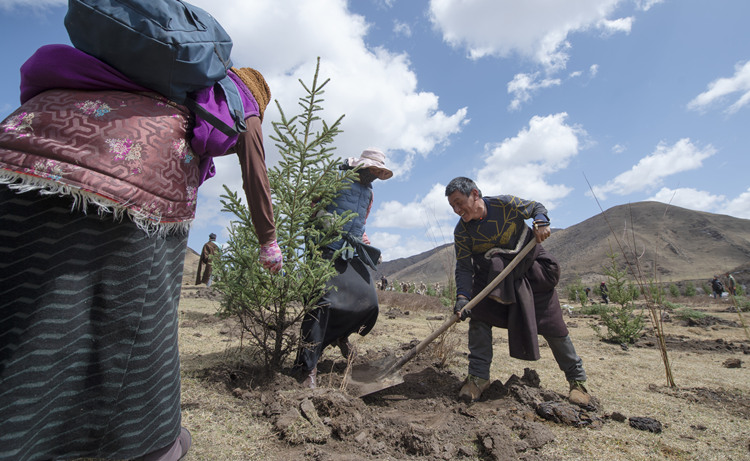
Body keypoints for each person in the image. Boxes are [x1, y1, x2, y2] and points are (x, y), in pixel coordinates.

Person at [0, 44, 282, 461]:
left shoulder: (168, 79)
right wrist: (269, 241)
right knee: (132, 326)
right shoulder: (242, 100)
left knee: (22, 305)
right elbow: (255, 172)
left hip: (20, 144)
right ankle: (148, 443)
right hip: (127, 178)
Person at [445, 177, 591, 406]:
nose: (456, 209)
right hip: (492, 281)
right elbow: (464, 266)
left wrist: (541, 222)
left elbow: (536, 208)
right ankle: (478, 378)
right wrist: (463, 297)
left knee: (554, 326)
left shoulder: (505, 204)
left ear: (474, 194)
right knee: (479, 319)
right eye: (452, 206)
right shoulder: (462, 232)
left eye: (459, 202)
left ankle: (577, 381)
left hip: (529, 270)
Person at [293, 149, 393, 388]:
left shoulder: (368, 194)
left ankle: (341, 336)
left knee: (368, 301)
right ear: (361, 165)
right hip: (325, 248)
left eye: (380, 172)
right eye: (374, 170)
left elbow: (360, 222)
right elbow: (310, 204)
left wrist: (365, 241)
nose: (376, 176)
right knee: (322, 304)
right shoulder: (334, 178)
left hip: (352, 251)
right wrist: (322, 217)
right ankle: (307, 368)